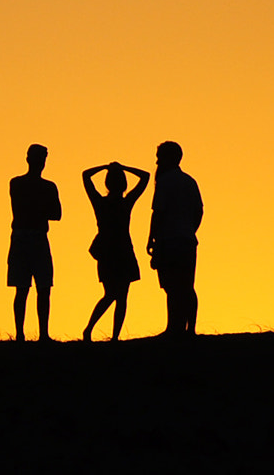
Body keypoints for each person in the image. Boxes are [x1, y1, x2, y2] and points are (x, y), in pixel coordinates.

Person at [81, 161, 150, 342]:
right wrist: (123, 167)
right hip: (118, 250)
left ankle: (111, 336)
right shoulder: (124, 202)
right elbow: (145, 177)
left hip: (111, 250)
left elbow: (86, 175)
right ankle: (96, 331)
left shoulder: (102, 202)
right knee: (117, 295)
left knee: (115, 295)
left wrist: (105, 167)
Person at [146, 141, 203, 338]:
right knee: (187, 286)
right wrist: (189, 229)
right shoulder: (190, 181)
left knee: (171, 286)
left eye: (159, 156)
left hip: (169, 240)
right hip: (187, 240)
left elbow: (158, 212)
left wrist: (152, 238)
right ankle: (190, 329)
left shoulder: (164, 181)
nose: (157, 161)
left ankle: (173, 328)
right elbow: (199, 212)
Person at [7, 144, 62, 342]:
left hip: (35, 237)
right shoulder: (18, 183)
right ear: (29, 159)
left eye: (43, 158)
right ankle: (21, 334)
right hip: (26, 237)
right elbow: (51, 212)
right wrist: (41, 208)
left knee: (42, 288)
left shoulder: (46, 186)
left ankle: (42, 334)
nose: (41, 162)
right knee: (23, 288)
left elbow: (57, 214)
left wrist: (37, 209)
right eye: (39, 158)